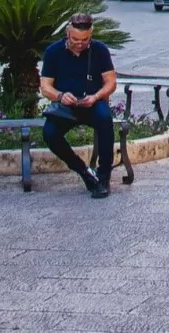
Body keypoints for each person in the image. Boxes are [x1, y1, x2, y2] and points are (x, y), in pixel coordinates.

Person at [39, 12, 118, 197]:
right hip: (66, 106)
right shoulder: (53, 51)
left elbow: (111, 82)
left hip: (92, 102)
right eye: (75, 39)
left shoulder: (100, 50)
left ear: (91, 35)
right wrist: (60, 96)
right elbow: (45, 87)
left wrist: (96, 96)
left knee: (105, 120)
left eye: (85, 39)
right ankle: (83, 171)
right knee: (49, 133)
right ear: (67, 33)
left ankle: (104, 176)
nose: (80, 43)